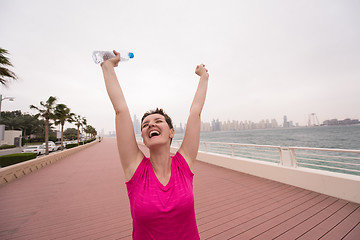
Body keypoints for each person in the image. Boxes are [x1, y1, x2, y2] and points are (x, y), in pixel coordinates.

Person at [101, 50, 209, 239]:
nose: (151, 124)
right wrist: (108, 67)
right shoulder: (135, 169)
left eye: (158, 121)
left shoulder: (184, 164)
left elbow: (195, 113)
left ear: (171, 132)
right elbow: (121, 111)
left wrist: (204, 77)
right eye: (145, 124)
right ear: (143, 137)